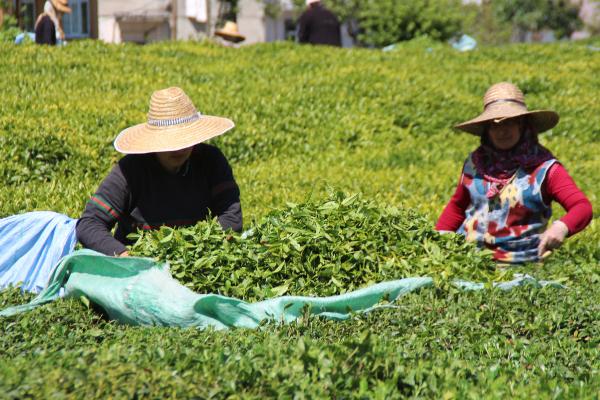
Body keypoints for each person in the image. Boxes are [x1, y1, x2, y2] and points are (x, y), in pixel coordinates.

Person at [436, 82, 592, 263]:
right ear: (487, 129)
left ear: (523, 125)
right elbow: (457, 206)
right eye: (495, 125)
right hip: (467, 260)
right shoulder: (475, 162)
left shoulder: (545, 168)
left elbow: (582, 207)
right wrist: (438, 241)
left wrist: (561, 228)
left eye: (510, 122)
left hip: (519, 263)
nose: (502, 131)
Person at [76, 87, 243, 257]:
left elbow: (231, 217)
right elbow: (89, 224)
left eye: (184, 140)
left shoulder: (211, 160)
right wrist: (126, 256)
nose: (179, 149)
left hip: (200, 259)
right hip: (139, 268)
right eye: (170, 142)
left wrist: (198, 253)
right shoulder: (131, 170)